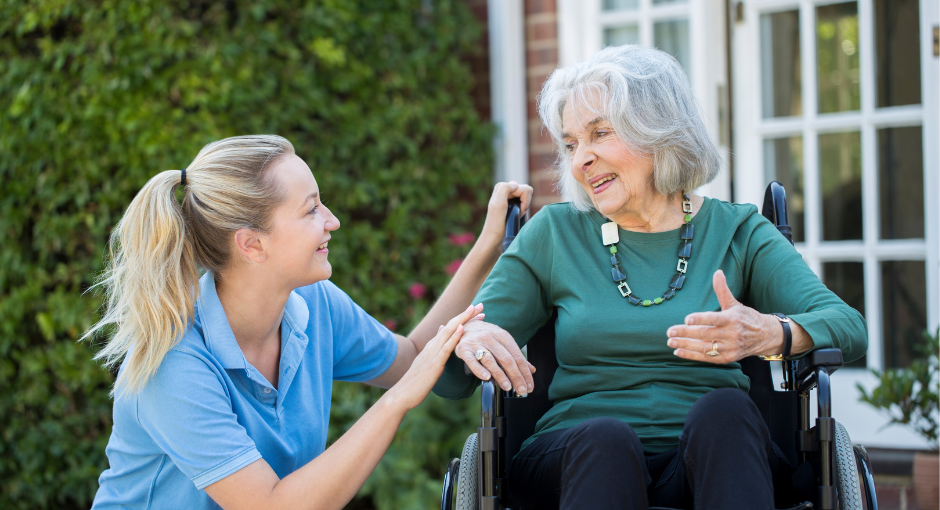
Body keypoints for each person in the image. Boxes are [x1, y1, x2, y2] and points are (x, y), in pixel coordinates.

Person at [432, 45, 867, 510]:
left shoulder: (737, 231)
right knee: (606, 440)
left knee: (726, 413)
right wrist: (468, 336)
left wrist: (772, 333)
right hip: (578, 460)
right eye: (572, 143)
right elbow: (451, 381)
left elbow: (848, 327)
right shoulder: (555, 235)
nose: (581, 160)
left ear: (659, 131)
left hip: (715, 460)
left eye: (600, 133)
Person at [84, 135, 533, 510]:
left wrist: (490, 243)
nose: (332, 221)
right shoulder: (173, 364)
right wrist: (398, 400)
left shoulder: (312, 304)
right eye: (311, 209)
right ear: (252, 245)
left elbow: (412, 356)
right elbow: (272, 506)